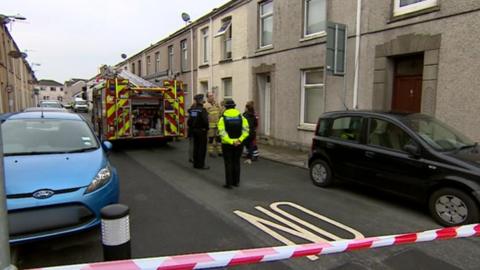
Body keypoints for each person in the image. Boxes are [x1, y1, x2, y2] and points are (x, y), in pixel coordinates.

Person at [218, 99, 249, 189]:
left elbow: (222, 133)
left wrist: (231, 141)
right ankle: (236, 182)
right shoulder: (241, 117)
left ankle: (229, 183)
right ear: (234, 106)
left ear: (226, 107)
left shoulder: (223, 118)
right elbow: (246, 131)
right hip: (239, 144)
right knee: (236, 162)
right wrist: (239, 140)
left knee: (228, 163)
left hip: (227, 144)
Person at [187, 94, 209, 169]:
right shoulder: (202, 110)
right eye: (203, 99)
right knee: (202, 148)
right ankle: (201, 165)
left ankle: (195, 164)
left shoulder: (194, 110)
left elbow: (189, 121)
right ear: (200, 100)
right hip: (202, 131)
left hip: (194, 131)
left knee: (196, 147)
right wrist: (207, 128)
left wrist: (192, 127)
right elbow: (205, 121)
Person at [204, 92, 222, 157]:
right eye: (210, 96)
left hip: (217, 125)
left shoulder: (216, 104)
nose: (212, 97)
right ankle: (210, 152)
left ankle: (220, 152)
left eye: (212, 96)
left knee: (218, 139)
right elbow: (205, 116)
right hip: (210, 126)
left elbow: (220, 112)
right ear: (207, 97)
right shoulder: (205, 105)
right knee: (210, 139)